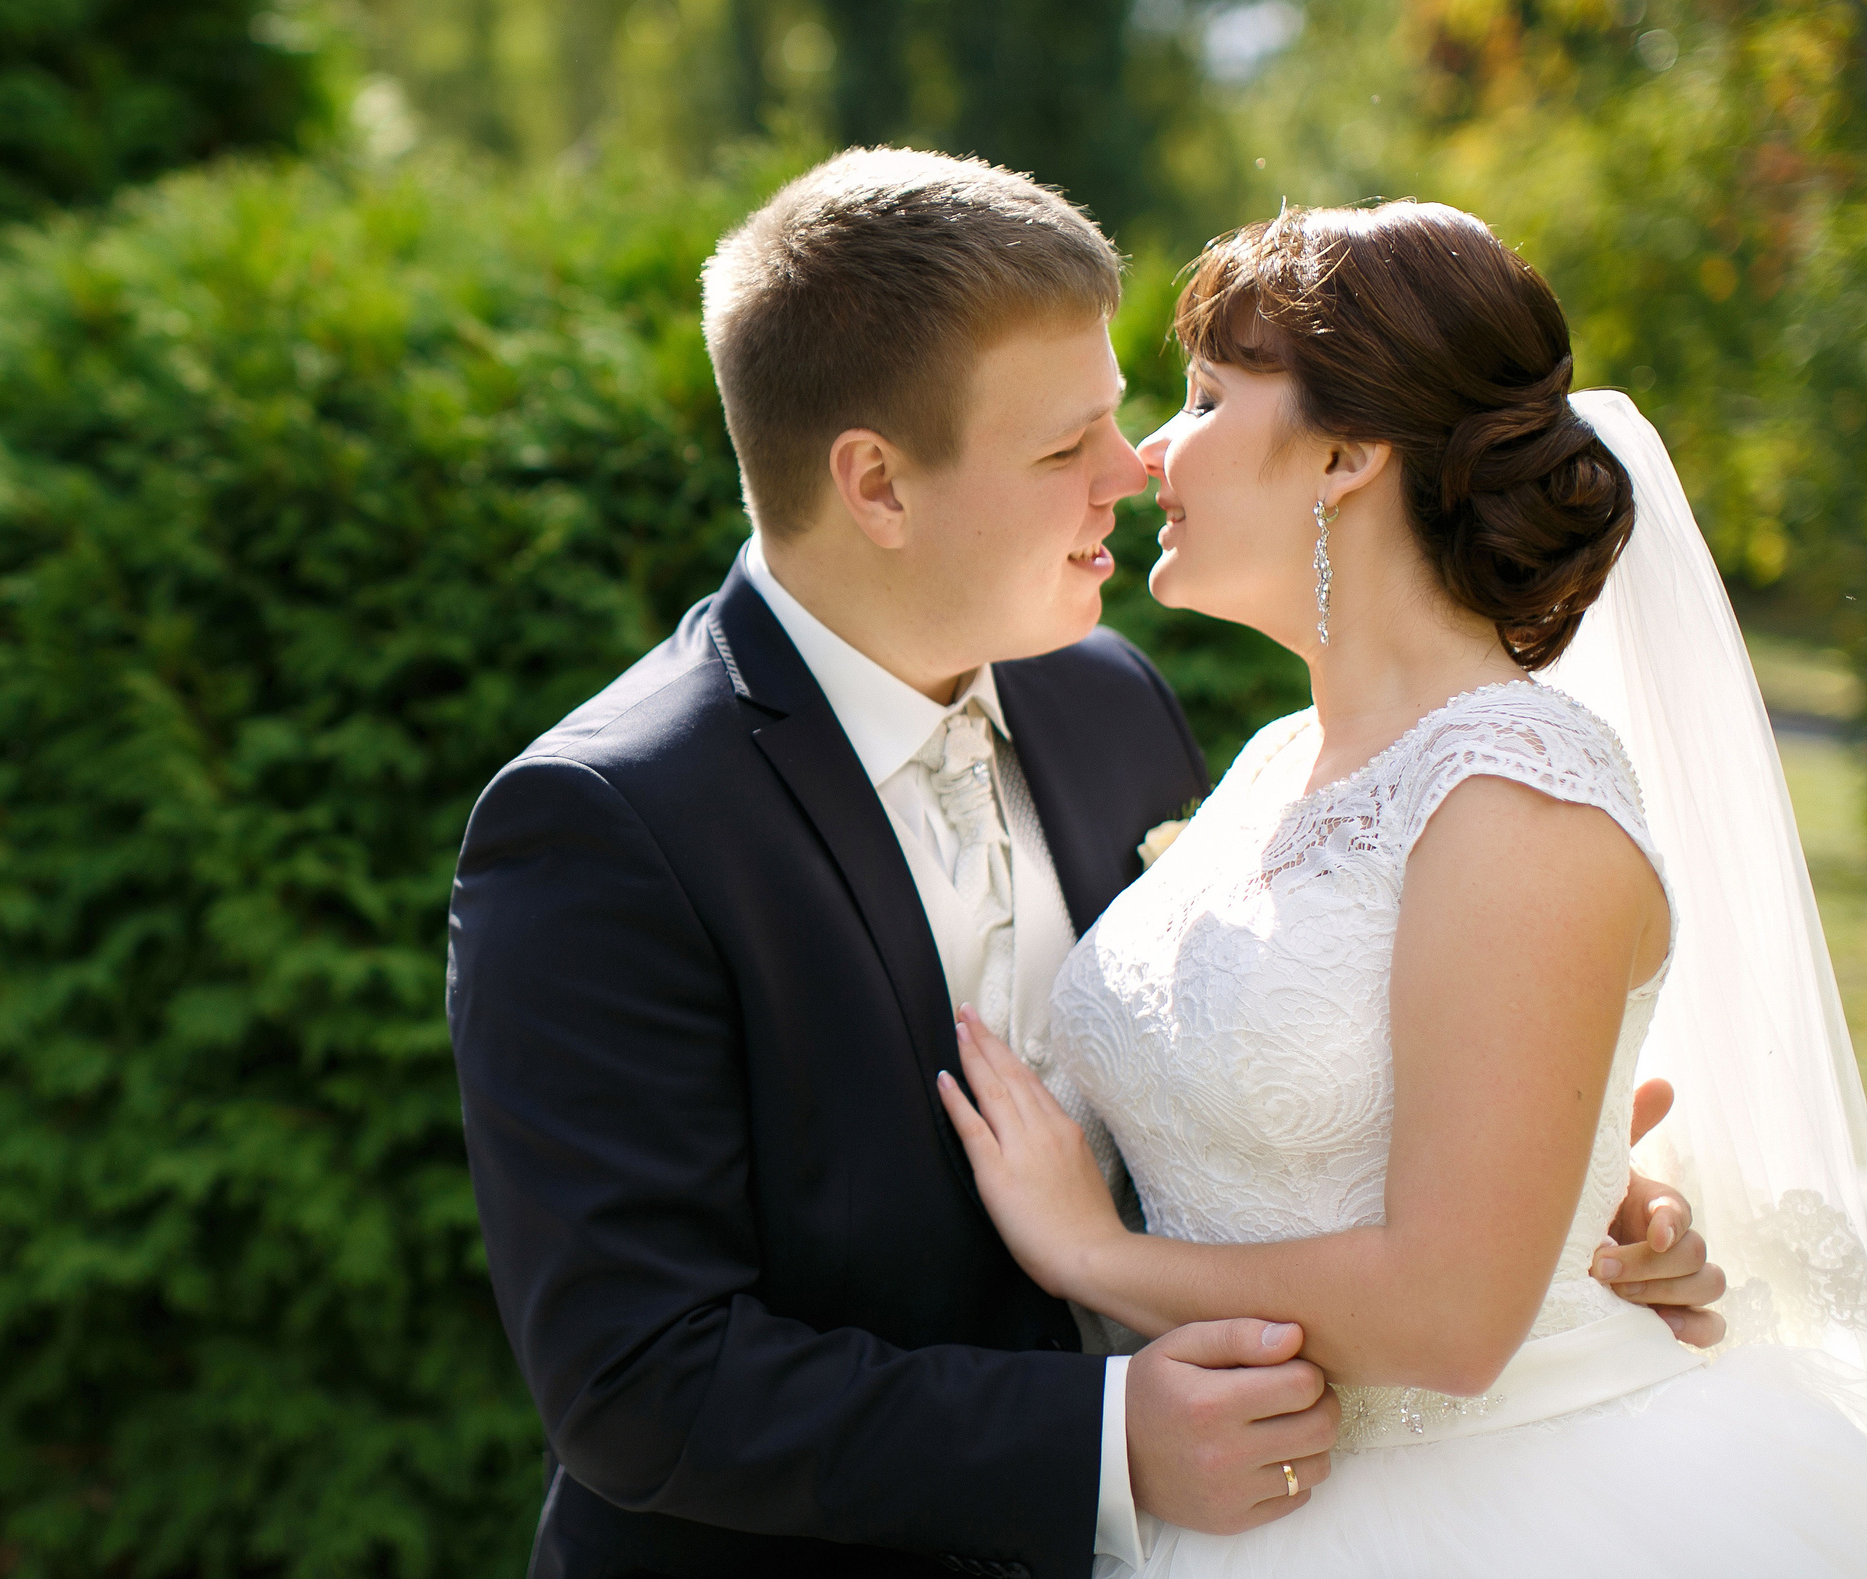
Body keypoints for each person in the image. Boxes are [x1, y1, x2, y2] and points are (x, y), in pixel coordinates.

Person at [445, 151, 1720, 1579]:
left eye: (1144, 413)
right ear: (876, 484)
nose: (1139, 465)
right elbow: (637, 1379)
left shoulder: (1108, 704)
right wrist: (1100, 1441)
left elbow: (1288, 1078)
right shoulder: (605, 824)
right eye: (1068, 449)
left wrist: (1574, 1188)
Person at [941, 200, 1867, 1575]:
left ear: (1351, 451)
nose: (1148, 457)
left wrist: (1096, 1256)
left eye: (1203, 397)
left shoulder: (1518, 801)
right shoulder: (1275, 763)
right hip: (1230, 1501)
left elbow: (1449, 1314)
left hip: (1502, 1509)